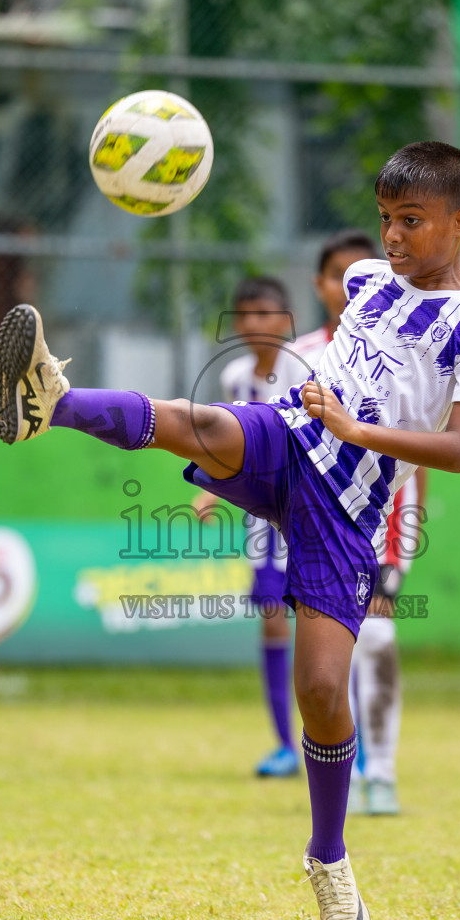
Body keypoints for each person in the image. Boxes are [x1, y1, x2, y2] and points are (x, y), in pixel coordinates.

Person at [0, 141, 460, 920]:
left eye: (412, 221)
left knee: (323, 692)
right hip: (290, 438)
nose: (394, 238)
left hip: (347, 511)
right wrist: (321, 408)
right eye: (386, 220)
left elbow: (454, 449)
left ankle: (329, 859)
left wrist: (358, 428)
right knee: (196, 423)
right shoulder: (368, 282)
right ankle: (50, 398)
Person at [304, 227, 421, 817]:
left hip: (378, 528)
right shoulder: (303, 353)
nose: (355, 290)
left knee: (376, 643)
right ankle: (338, 771)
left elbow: (419, 452)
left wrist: (404, 543)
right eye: (342, 277)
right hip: (311, 527)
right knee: (325, 660)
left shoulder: (404, 348)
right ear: (323, 285)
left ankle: (384, 772)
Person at [192, 275, 311, 778]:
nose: (255, 325)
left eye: (266, 315)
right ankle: (285, 744)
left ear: (285, 322)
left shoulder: (309, 369)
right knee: (272, 617)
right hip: (263, 520)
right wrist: (210, 486)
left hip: (310, 512)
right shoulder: (235, 378)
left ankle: (347, 740)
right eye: (246, 316)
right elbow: (229, 446)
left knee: (322, 623)